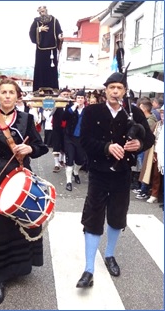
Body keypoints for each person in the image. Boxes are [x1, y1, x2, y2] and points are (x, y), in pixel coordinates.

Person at [0, 79, 49, 305]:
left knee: (19, 221)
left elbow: (41, 146)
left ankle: (17, 267)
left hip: (19, 173)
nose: (7, 96)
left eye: (11, 93)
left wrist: (30, 148)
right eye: (3, 92)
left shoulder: (27, 119)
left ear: (17, 96)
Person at [76, 72, 155, 288]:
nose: (115, 92)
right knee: (93, 217)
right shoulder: (92, 111)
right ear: (105, 90)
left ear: (124, 91)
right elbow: (83, 140)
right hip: (98, 173)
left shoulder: (134, 112)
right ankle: (89, 269)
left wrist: (139, 145)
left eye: (119, 88)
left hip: (122, 174)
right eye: (111, 87)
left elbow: (149, 138)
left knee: (117, 215)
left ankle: (110, 255)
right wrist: (106, 147)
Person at [29, 6, 63, 92]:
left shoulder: (54, 20)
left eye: (43, 11)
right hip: (40, 50)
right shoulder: (36, 21)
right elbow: (31, 33)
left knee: (51, 68)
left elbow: (59, 31)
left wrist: (60, 36)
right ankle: (40, 88)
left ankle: (52, 87)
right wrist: (39, 29)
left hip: (52, 49)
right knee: (40, 68)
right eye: (40, 12)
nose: (42, 13)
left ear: (46, 11)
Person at [62, 89, 86, 191]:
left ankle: (75, 172)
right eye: (78, 98)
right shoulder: (70, 108)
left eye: (82, 98)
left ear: (85, 99)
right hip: (69, 137)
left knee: (80, 160)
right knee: (70, 159)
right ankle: (68, 181)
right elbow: (64, 117)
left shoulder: (87, 110)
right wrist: (74, 107)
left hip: (81, 138)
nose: (80, 100)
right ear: (75, 99)